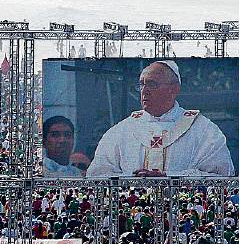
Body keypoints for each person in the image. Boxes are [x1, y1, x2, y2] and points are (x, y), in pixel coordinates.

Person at [87, 61, 234, 177]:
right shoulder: (122, 131)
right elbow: (98, 175)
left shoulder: (203, 130)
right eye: (142, 84)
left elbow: (221, 176)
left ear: (174, 89)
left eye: (152, 84)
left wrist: (168, 177)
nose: (144, 91)